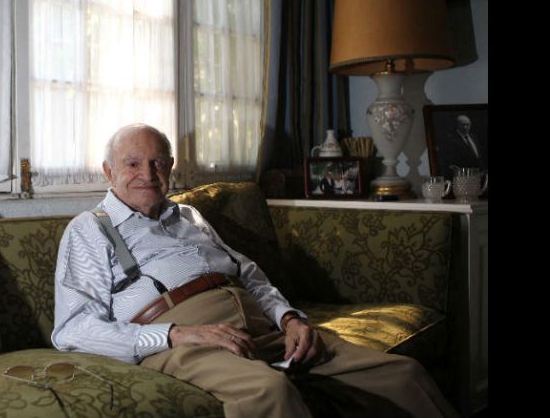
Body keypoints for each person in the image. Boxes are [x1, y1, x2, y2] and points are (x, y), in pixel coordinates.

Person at [52, 123, 458, 418]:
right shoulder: (90, 228)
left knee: (402, 374)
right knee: (269, 390)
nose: (147, 174)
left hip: (262, 328)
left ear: (171, 167)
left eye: (158, 163)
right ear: (108, 172)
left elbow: (247, 272)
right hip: (186, 343)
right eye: (132, 164)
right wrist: (176, 334)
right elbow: (72, 329)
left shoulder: (188, 215)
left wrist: (290, 319)